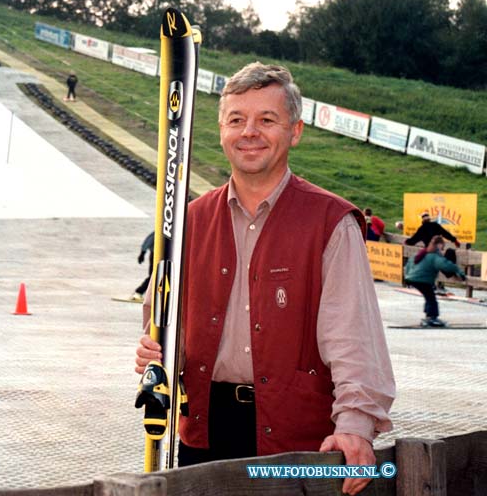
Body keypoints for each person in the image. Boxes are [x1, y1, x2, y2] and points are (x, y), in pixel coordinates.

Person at [134, 63, 394, 496]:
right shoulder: (189, 221)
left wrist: (355, 425)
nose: (249, 132)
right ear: (221, 130)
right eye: (237, 120)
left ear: (295, 131)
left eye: (266, 120)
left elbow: (353, 336)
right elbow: (160, 320)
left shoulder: (331, 221)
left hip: (299, 443)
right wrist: (155, 354)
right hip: (204, 434)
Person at [404, 235, 467, 328]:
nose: (442, 249)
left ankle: (428, 316)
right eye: (442, 246)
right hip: (422, 280)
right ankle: (432, 318)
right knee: (431, 299)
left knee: (428, 296)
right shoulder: (434, 256)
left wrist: (408, 276)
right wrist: (460, 273)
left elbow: (409, 263)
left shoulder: (421, 253)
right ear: (439, 245)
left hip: (412, 278)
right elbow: (446, 265)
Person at [131, 232, 154, 302]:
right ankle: (138, 292)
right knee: (153, 276)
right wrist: (142, 254)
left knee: (156, 277)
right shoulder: (160, 230)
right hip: (156, 255)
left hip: (165, 256)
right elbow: (148, 241)